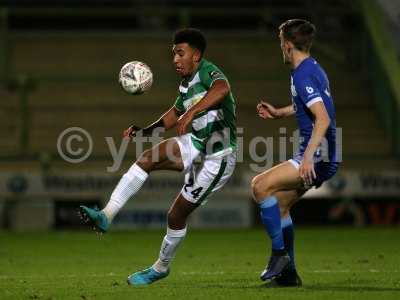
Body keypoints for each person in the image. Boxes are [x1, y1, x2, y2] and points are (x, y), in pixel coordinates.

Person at [79, 28, 237, 285]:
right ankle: (106, 215)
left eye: (180, 53)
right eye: (173, 53)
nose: (175, 59)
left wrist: (191, 113)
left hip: (216, 157)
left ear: (196, 55)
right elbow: (174, 113)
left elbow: (222, 89)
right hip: (196, 143)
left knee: (175, 216)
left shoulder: (209, 72)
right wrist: (146, 130)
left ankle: (161, 267)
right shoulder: (186, 83)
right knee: (146, 158)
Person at [253, 19, 340, 287]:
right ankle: (289, 275)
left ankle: (280, 256)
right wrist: (281, 112)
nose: (281, 48)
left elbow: (323, 118)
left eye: (281, 43)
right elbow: (309, 105)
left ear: (288, 45)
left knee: (259, 186)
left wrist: (306, 158)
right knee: (279, 206)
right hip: (324, 153)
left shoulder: (302, 74)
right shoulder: (312, 69)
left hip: (318, 153)